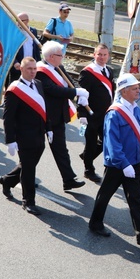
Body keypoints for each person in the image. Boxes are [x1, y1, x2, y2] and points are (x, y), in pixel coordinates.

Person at [88, 73, 140, 246]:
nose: (139, 90)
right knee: (104, 195)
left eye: (138, 88)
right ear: (124, 91)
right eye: (135, 88)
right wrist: (124, 164)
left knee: (136, 199)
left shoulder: (136, 109)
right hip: (117, 165)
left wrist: (133, 162)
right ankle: (95, 223)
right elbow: (113, 144)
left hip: (133, 162)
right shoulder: (114, 114)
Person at [36, 41, 87, 191]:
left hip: (58, 116)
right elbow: (53, 90)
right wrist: (75, 93)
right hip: (44, 116)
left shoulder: (59, 67)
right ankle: (14, 178)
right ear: (51, 56)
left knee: (60, 149)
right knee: (35, 150)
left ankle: (68, 179)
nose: (63, 57)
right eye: (60, 55)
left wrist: (80, 92)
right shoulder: (40, 71)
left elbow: (71, 83)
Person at [0, 57, 48, 215]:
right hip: (23, 136)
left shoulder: (39, 84)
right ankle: (28, 201)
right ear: (21, 69)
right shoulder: (15, 90)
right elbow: (8, 117)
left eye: (35, 69)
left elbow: (43, 109)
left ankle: (7, 180)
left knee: (28, 165)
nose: (33, 72)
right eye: (29, 69)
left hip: (39, 135)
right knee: (28, 169)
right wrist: (10, 140)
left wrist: (50, 129)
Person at [77, 43, 115, 183]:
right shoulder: (87, 72)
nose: (102, 57)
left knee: (106, 140)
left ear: (108, 56)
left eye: (105, 54)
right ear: (94, 55)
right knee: (91, 143)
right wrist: (82, 114)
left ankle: (87, 156)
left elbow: (112, 90)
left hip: (106, 114)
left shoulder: (109, 71)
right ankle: (89, 170)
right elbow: (81, 95)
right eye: (99, 54)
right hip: (91, 115)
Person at [6, 12, 41, 87]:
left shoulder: (33, 31)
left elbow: (36, 48)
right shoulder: (14, 32)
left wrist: (38, 62)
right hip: (18, 66)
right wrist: (15, 62)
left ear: (27, 21)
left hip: (30, 66)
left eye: (21, 21)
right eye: (17, 20)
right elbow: (9, 49)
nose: (18, 23)